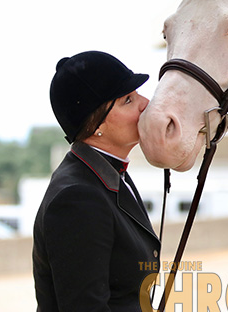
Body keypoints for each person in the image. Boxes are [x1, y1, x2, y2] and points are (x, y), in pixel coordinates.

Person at [33, 51, 159, 311]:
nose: (145, 103)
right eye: (128, 100)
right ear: (96, 124)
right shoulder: (78, 198)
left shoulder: (106, 174)